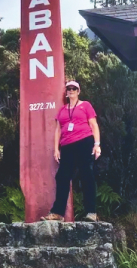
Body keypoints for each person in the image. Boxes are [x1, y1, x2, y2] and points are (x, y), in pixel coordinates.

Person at [41, 80, 101, 222]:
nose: (71, 90)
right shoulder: (62, 110)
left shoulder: (85, 105)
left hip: (84, 142)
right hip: (67, 146)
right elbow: (58, 130)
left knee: (86, 175)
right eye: (69, 88)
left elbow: (93, 125)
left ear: (78, 91)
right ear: (66, 92)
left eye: (74, 88)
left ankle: (91, 212)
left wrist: (97, 144)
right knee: (62, 177)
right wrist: (56, 149)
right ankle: (58, 213)